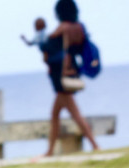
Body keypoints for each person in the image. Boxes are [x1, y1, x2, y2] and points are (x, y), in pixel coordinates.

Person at [43, 0, 99, 156]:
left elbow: (48, 44)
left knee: (74, 114)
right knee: (56, 114)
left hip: (62, 75)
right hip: (73, 70)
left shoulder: (63, 27)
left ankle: (95, 145)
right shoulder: (79, 28)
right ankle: (50, 151)